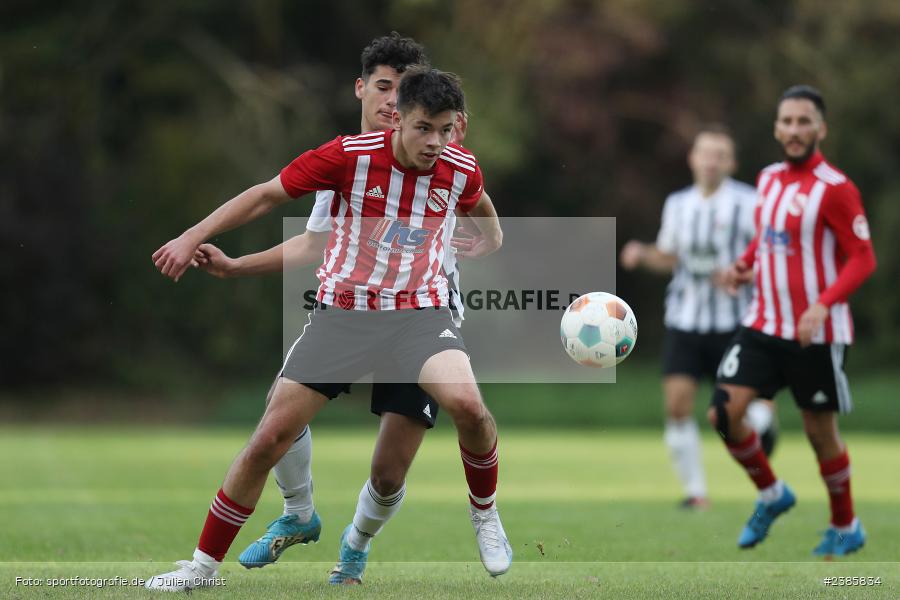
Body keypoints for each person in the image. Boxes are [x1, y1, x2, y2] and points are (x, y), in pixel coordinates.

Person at [146, 66, 511, 591]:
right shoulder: (347, 158)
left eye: (445, 129)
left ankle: (485, 514)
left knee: (469, 408)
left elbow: (480, 202)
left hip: (420, 316)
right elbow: (266, 195)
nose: (435, 142)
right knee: (269, 437)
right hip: (344, 316)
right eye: (424, 128)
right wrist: (191, 237)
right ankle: (202, 569)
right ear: (398, 120)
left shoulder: (459, 166)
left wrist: (492, 238)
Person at [711, 85, 876, 555]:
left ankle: (845, 526)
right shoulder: (767, 179)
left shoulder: (836, 188)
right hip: (763, 323)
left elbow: (863, 257)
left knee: (819, 434)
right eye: (787, 121)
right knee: (723, 414)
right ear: (776, 128)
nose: (795, 129)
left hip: (814, 333)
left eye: (804, 121)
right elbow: (767, 238)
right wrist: (743, 265)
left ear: (821, 129)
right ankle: (772, 494)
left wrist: (823, 304)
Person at [620, 125, 777, 509]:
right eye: (705, 153)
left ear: (731, 163)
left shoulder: (749, 202)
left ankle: (764, 426)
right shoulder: (678, 204)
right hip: (685, 320)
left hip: (735, 322)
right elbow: (669, 256)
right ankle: (696, 494)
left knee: (739, 411)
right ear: (692, 158)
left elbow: (773, 256)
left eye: (719, 155)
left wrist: (742, 274)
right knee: (677, 407)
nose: (711, 161)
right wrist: (643, 253)